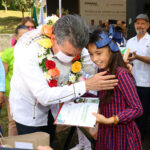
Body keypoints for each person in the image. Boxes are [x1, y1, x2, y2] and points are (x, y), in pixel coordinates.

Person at [9, 14, 118, 146]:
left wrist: (116, 66)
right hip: (29, 111)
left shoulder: (75, 40)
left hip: (53, 107)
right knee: (32, 145)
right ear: (53, 38)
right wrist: (85, 85)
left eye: (76, 54)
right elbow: (43, 95)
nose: (73, 58)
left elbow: (91, 67)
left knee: (49, 142)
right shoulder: (27, 49)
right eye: (68, 54)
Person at [87, 29, 143, 150]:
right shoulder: (102, 70)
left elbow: (137, 108)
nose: (95, 59)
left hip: (121, 133)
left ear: (111, 51)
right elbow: (101, 97)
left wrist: (111, 120)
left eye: (99, 53)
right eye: (91, 54)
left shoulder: (121, 74)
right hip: (106, 132)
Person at [1, 25, 29, 136]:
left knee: (26, 121)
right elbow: (3, 74)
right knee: (13, 122)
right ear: (15, 36)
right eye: (21, 36)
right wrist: (2, 92)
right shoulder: (8, 53)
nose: (24, 39)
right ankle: (11, 146)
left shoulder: (32, 52)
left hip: (27, 92)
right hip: (11, 93)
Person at [126, 13, 150, 139]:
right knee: (132, 109)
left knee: (143, 111)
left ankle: (139, 136)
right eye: (138, 23)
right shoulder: (130, 41)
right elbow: (126, 59)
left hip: (146, 83)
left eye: (142, 23)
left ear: (148, 25)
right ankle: (132, 133)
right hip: (131, 82)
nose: (140, 26)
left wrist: (137, 57)